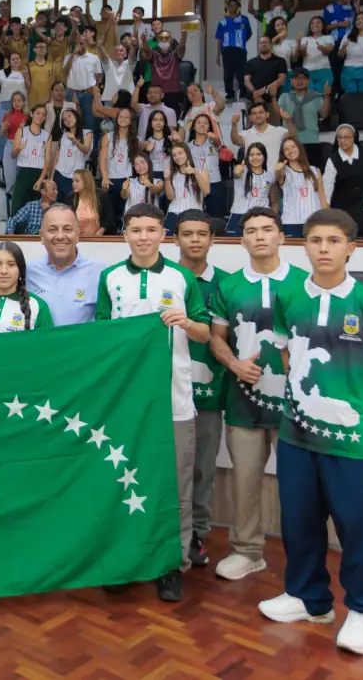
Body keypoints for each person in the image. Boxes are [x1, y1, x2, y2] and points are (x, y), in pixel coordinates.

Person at [260, 209, 363, 656]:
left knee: (360, 526)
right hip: (298, 434)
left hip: (356, 441)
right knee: (299, 520)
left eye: (333, 241)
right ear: (304, 246)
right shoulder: (289, 298)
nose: (324, 249)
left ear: (350, 248)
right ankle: (308, 598)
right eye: (316, 240)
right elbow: (285, 356)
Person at [95, 202, 211, 602]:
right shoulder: (110, 278)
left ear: (165, 234)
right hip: (125, 401)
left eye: (150, 229)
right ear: (124, 234)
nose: (143, 236)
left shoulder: (181, 278)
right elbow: (101, 338)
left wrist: (187, 322)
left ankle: (170, 564)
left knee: (175, 484)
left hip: (174, 397)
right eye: (135, 229)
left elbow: (204, 334)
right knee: (120, 478)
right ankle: (125, 559)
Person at [207, 207, 307, 582]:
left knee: (298, 488)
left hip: (296, 407)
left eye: (268, 229)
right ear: (241, 239)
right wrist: (233, 364)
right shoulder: (229, 286)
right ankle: (247, 551)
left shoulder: (305, 282)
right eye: (252, 230)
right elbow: (216, 339)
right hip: (243, 403)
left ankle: (302, 556)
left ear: (282, 236)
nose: (260, 236)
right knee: (245, 483)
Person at [172, 211, 229, 570]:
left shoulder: (226, 284)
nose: (194, 240)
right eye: (187, 234)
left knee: (202, 469)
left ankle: (196, 534)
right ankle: (165, 532)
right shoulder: (163, 278)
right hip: (164, 393)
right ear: (175, 239)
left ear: (212, 240)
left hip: (208, 394)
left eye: (201, 234)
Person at [26, 203, 103, 326]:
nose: (60, 236)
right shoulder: (27, 272)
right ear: (42, 237)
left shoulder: (100, 272)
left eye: (67, 229)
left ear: (77, 235)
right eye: (52, 230)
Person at [0, 241, 53, 335]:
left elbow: (47, 346)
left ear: (20, 269)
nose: (4, 271)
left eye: (11, 264)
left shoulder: (38, 305)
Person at [322, 125, 363, 239]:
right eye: (339, 137)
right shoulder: (333, 159)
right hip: (341, 204)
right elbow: (328, 184)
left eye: (346, 137)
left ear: (354, 138)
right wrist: (327, 206)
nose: (342, 141)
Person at [277, 69, 332, 170]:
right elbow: (277, 115)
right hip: (291, 143)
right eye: (296, 78)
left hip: (312, 141)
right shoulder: (284, 97)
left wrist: (327, 96)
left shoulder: (316, 97)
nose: (299, 81)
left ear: (308, 81)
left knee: (313, 173)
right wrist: (272, 96)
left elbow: (324, 114)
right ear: (291, 81)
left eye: (302, 78)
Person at [274, 136, 327, 239]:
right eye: (286, 149)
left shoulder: (315, 170)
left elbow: (323, 199)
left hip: (314, 222)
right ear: (283, 153)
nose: (290, 151)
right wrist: (278, 169)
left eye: (293, 147)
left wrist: (327, 219)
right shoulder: (284, 171)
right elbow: (279, 174)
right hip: (291, 223)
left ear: (299, 148)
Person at [41, 107, 92, 203]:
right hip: (59, 174)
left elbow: (86, 149)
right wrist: (51, 177)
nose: (67, 119)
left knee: (72, 205)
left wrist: (75, 140)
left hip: (75, 176)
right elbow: (57, 156)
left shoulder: (87, 133)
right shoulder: (63, 135)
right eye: (64, 119)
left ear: (76, 116)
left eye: (69, 116)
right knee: (56, 204)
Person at [9, 103, 50, 214]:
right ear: (31, 114)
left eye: (43, 114)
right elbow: (13, 154)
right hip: (23, 172)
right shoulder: (21, 131)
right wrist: (19, 148)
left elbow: (47, 160)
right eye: (38, 113)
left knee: (36, 209)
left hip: (38, 173)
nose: (40, 116)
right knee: (18, 205)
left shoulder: (47, 135)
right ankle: (14, 231)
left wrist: (41, 178)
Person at [162, 143, 208, 234]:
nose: (177, 157)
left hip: (194, 214)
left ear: (187, 153)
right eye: (174, 155)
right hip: (173, 213)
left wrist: (195, 172)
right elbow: (170, 197)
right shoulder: (171, 173)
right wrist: (167, 179)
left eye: (180, 153)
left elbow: (207, 191)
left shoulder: (201, 170)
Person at [228, 143, 273, 236]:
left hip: (262, 217)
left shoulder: (270, 176)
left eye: (258, 154)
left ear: (264, 157)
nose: (255, 157)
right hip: (239, 215)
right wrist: (237, 170)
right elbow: (236, 173)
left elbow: (273, 199)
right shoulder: (242, 170)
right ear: (247, 158)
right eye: (251, 155)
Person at [215, 0, 253, 101]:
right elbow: (219, 39)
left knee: (242, 72)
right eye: (230, 4)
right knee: (228, 73)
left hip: (240, 49)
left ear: (238, 6)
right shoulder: (222, 22)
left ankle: (243, 94)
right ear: (227, 7)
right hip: (227, 50)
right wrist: (218, 55)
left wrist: (241, 41)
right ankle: (230, 95)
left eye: (234, 4)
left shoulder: (244, 19)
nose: (232, 6)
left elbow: (248, 33)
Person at [0, 90, 29, 190]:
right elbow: (2, 135)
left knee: (23, 176)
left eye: (19, 100)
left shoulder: (28, 116)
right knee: (9, 174)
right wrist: (4, 128)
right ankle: (9, 195)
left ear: (24, 102)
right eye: (14, 100)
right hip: (10, 145)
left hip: (24, 147)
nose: (16, 103)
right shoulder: (7, 115)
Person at [243, 36, 287, 107]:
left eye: (266, 42)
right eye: (261, 43)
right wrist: (255, 93)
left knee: (273, 118)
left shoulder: (280, 61)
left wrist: (263, 90)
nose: (263, 44)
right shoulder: (251, 62)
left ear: (271, 45)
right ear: (258, 46)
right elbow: (246, 81)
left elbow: (281, 79)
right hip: (253, 99)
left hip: (273, 100)